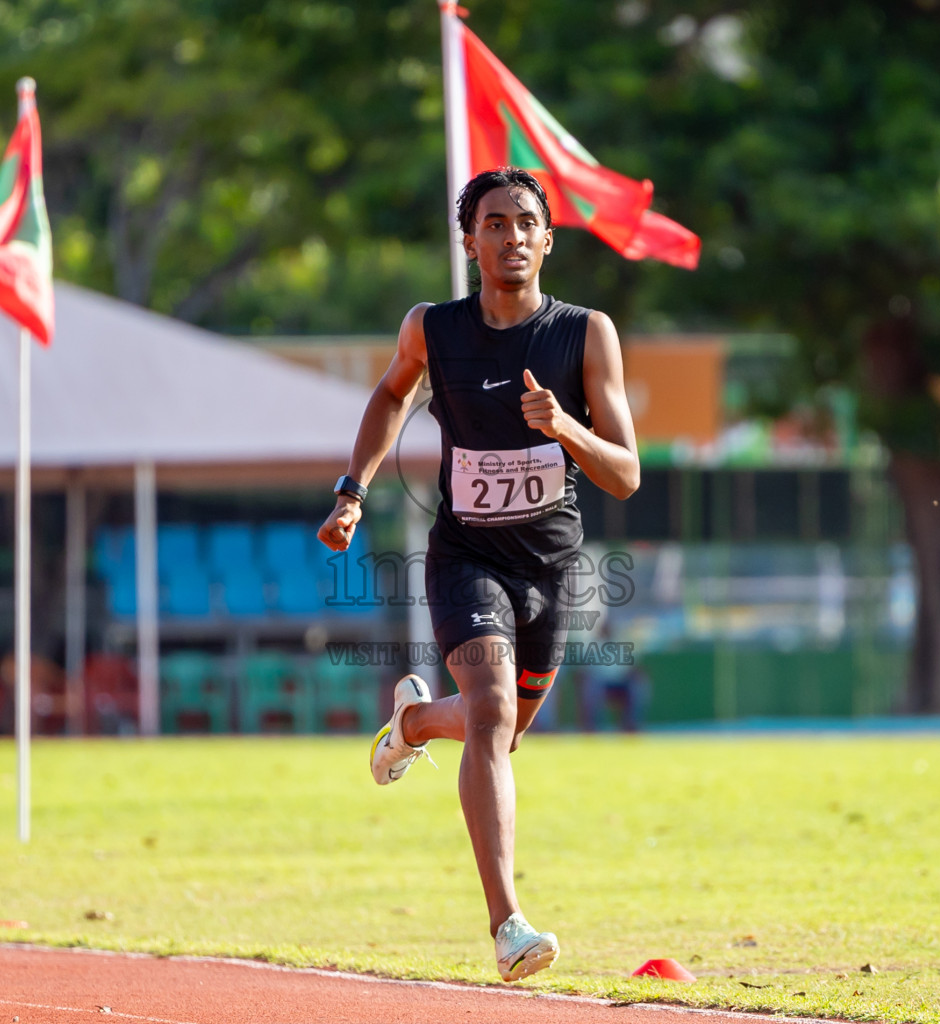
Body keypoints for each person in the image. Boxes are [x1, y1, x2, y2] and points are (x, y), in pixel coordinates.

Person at [317, 167, 640, 982]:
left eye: (527, 223)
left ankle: (418, 725)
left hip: (552, 565)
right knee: (493, 713)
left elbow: (627, 473)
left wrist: (563, 425)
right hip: (466, 555)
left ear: (548, 239)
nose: (512, 237)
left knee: (507, 727)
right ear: (470, 241)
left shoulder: (585, 333)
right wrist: (353, 490)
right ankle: (509, 925)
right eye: (494, 224)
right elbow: (391, 395)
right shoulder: (435, 328)